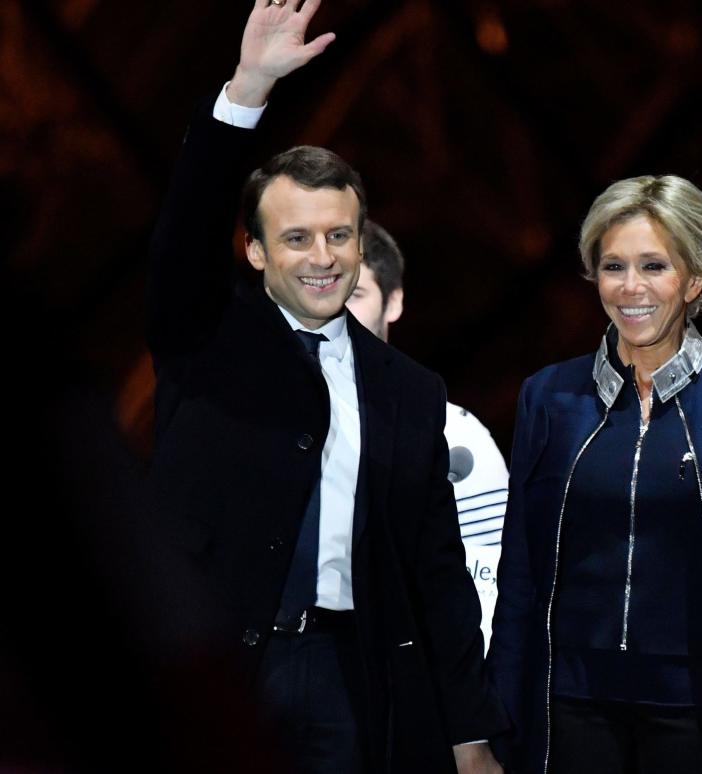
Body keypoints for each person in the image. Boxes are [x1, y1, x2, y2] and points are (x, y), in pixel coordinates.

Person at [146, 2, 505, 771]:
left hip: (350, 679)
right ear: (253, 252)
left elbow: (439, 573)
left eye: (338, 235)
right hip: (219, 672)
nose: (322, 256)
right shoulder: (207, 338)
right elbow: (180, 237)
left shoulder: (409, 390)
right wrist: (247, 89)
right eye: (297, 237)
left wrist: (471, 736)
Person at [486, 175, 702, 774]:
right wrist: (495, 726)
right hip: (571, 707)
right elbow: (518, 577)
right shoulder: (546, 397)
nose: (630, 288)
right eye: (613, 266)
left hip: (696, 709)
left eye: (654, 266)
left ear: (694, 279)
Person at [347, 220, 509, 547]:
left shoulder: (456, 438)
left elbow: (490, 583)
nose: (335, 310)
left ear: (393, 302)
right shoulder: (264, 424)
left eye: (353, 294)